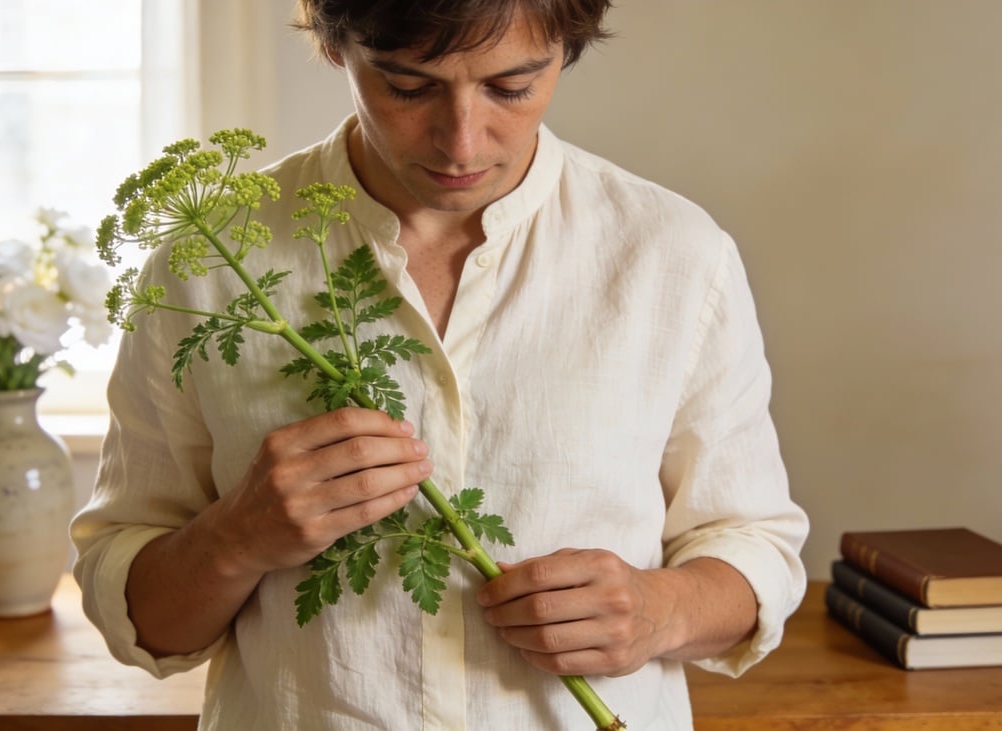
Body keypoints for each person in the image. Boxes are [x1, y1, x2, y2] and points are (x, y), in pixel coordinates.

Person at [71, 1, 810, 728]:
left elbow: (755, 545)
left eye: (511, 87)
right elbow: (139, 619)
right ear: (336, 46)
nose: (461, 142)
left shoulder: (674, 254)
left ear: (567, 45)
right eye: (408, 86)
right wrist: (235, 536)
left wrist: (661, 610)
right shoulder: (207, 266)